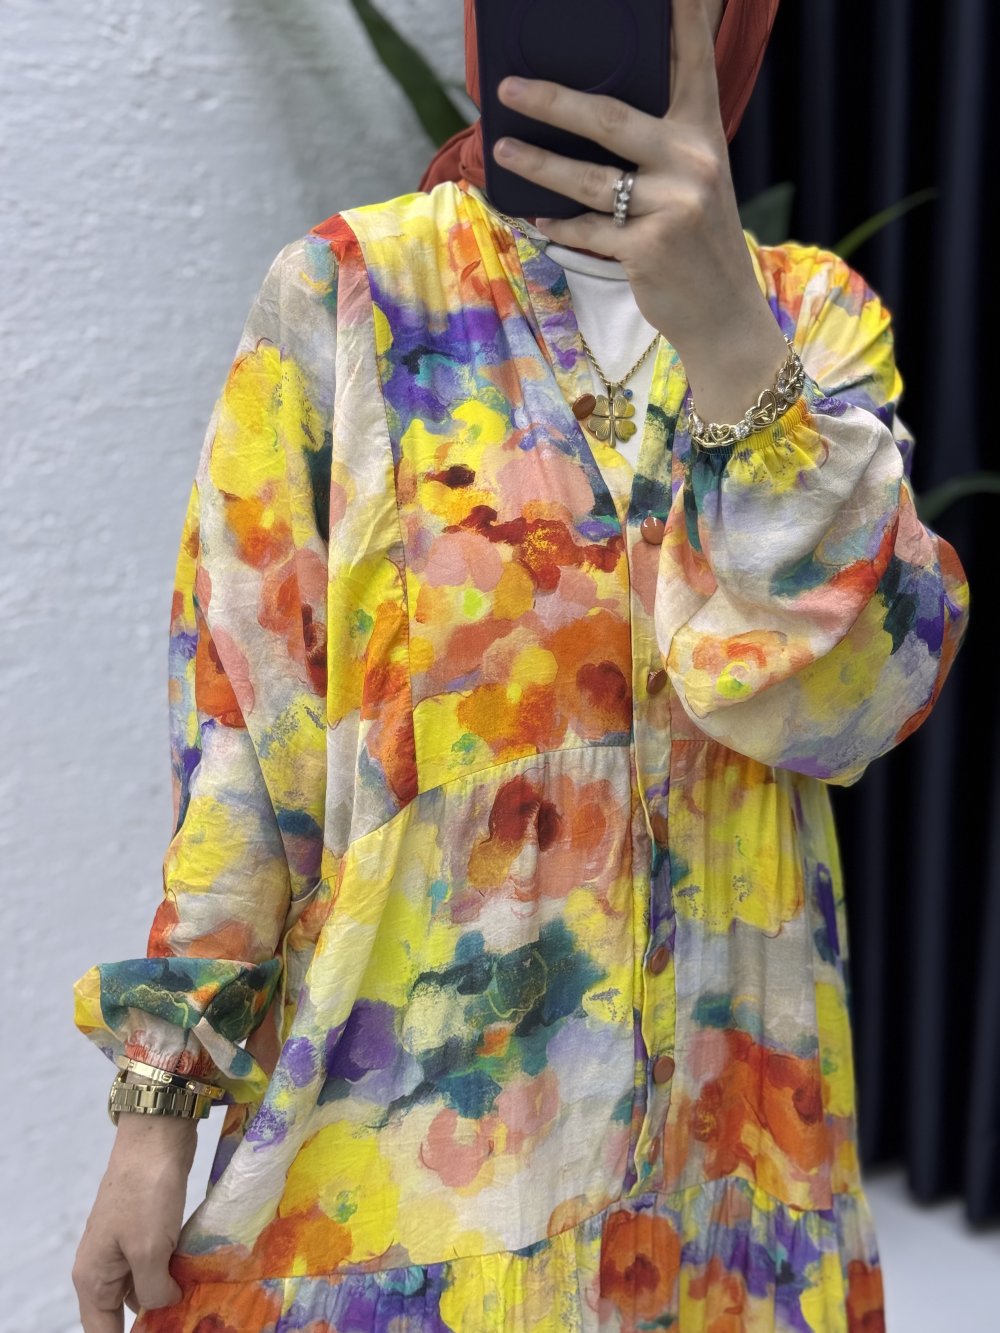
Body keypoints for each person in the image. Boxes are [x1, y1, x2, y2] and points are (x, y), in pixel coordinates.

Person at [71, 0, 970, 1329]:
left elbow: (859, 708)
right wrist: (156, 1110)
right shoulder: (347, 297)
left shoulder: (810, 321)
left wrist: (733, 347)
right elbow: (244, 747)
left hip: (725, 1165)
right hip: (406, 1176)